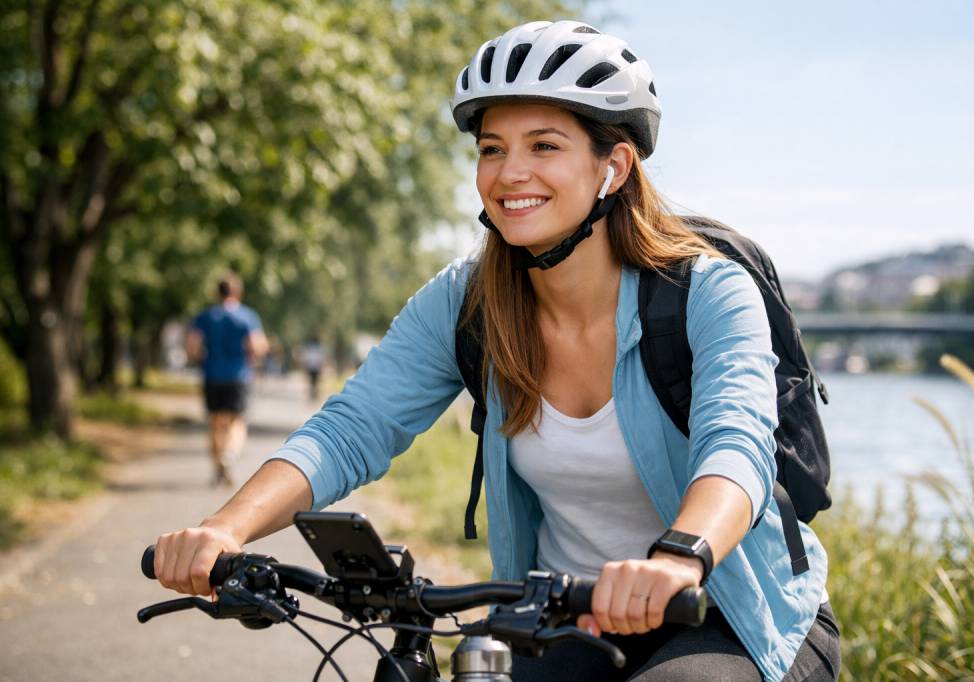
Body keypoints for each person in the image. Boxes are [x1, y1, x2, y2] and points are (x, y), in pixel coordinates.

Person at [154, 21, 839, 681]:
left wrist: (681, 556)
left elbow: (736, 446)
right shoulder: (468, 301)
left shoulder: (707, 292)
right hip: (568, 620)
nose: (510, 173)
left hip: (729, 613)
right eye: (491, 148)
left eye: (544, 146)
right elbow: (353, 426)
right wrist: (223, 530)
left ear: (614, 166)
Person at [186, 273, 268, 486]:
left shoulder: (205, 316)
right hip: (238, 375)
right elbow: (257, 345)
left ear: (217, 292)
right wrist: (253, 357)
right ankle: (229, 454)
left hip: (211, 375)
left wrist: (201, 358)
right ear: (238, 292)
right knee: (237, 421)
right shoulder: (247, 316)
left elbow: (193, 345)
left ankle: (217, 467)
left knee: (215, 422)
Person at [300, 333, 326, 401]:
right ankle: (314, 394)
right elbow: (321, 358)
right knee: (315, 381)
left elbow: (307, 357)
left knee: (312, 381)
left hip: (311, 366)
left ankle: (313, 394)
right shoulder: (319, 347)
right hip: (315, 366)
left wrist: (305, 365)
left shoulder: (310, 346)